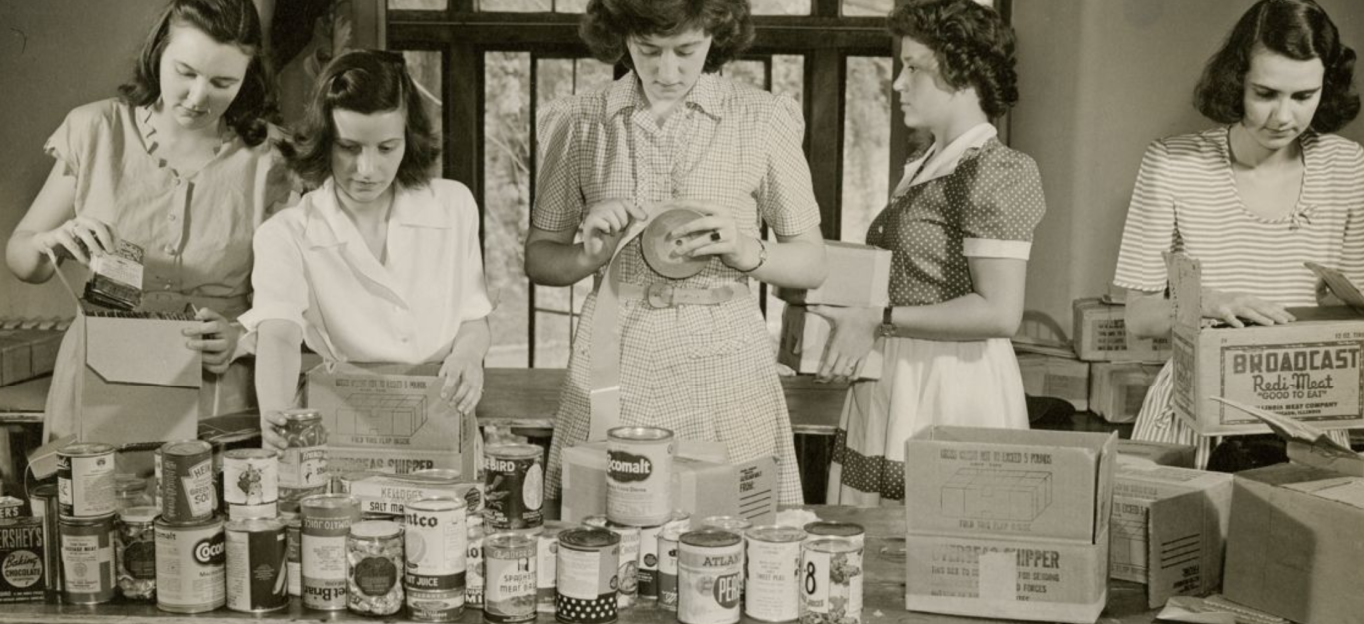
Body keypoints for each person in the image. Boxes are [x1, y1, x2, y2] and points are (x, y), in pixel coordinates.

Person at [525, 0, 827, 504]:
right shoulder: (580, 121)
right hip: (616, 360)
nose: (668, 71)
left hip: (730, 367)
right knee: (610, 520)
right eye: (649, 50)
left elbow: (812, 263)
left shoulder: (762, 117)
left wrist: (744, 250)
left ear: (716, 32)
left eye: (686, 50)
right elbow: (539, 258)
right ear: (621, 36)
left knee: (732, 524)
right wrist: (589, 254)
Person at [5, 0, 291, 440]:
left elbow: (288, 302)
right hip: (102, 376)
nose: (198, 98)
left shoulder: (271, 159)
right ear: (158, 51)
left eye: (222, 82)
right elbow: (22, 260)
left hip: (217, 387)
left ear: (249, 76)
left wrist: (242, 336)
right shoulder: (95, 129)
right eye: (185, 72)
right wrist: (52, 240)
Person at [810, 0, 1045, 506]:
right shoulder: (923, 163)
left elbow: (1000, 312)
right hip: (897, 370)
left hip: (952, 382)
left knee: (941, 545)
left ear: (965, 74)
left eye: (914, 67)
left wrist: (879, 318)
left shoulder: (998, 170)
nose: (898, 83)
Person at [1115, 0, 1363, 469]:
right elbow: (1139, 316)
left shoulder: (1349, 167)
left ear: (1325, 88)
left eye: (1303, 96)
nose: (1282, 117)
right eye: (1265, 93)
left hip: (1309, 415)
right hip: (1194, 415)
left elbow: (1353, 318)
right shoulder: (1174, 163)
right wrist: (1208, 302)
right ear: (1235, 80)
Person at [242, 49, 492, 451]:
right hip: (349, 424)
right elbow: (279, 335)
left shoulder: (453, 205)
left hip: (445, 419)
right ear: (326, 141)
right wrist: (274, 410)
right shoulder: (286, 234)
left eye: (386, 148)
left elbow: (473, 319)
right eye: (350, 147)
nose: (367, 170)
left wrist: (467, 357)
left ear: (407, 138)